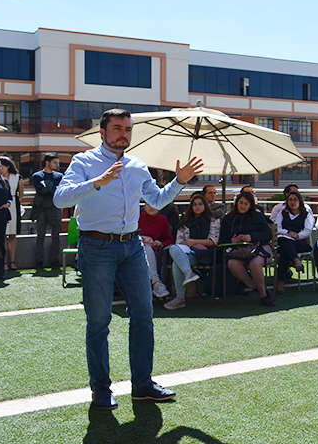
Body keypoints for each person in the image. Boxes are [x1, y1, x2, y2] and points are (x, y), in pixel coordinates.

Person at [53, 108, 203, 410]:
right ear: (103, 132)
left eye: (128, 129)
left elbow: (157, 201)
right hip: (96, 247)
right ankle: (101, 389)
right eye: (118, 128)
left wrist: (179, 181)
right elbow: (60, 198)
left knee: (144, 316)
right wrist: (97, 182)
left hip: (132, 246)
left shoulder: (137, 165)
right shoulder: (84, 162)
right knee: (98, 321)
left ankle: (142, 385)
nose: (124, 133)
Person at [164, 193, 220, 310]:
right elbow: (179, 241)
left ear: (205, 205)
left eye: (200, 204)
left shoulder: (213, 221)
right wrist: (192, 244)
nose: (197, 207)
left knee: (177, 263)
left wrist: (193, 242)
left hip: (205, 254)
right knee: (174, 248)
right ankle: (188, 274)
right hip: (188, 252)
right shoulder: (185, 222)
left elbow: (213, 241)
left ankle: (180, 298)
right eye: (194, 205)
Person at [221, 191, 275, 307]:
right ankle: (255, 287)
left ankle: (263, 296)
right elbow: (222, 240)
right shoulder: (228, 218)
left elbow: (268, 235)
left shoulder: (257, 215)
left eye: (246, 203)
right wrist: (232, 241)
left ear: (251, 205)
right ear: (236, 203)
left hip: (259, 248)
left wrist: (251, 237)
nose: (242, 206)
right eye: (240, 203)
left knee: (254, 264)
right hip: (238, 251)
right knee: (232, 263)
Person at [272, 190, 313, 293]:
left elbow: (308, 230)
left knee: (286, 245)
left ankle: (280, 282)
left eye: (295, 199)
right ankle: (296, 261)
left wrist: (297, 235)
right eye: (290, 200)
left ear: (300, 201)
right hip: (285, 243)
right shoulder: (283, 213)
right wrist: (288, 232)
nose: (292, 202)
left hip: (300, 243)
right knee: (285, 244)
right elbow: (277, 228)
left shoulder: (306, 214)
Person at [31, 154, 64, 271]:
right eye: (55, 162)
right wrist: (52, 189)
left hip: (55, 206)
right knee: (40, 235)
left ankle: (54, 259)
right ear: (47, 162)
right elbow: (40, 191)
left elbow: (61, 191)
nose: (57, 165)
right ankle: (39, 260)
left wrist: (49, 188)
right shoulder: (37, 176)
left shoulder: (60, 176)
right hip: (42, 208)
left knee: (56, 235)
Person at [138, 202, 173, 298]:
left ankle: (156, 284)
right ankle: (156, 282)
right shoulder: (138, 218)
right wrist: (143, 240)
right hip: (138, 250)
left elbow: (169, 240)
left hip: (157, 251)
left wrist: (160, 243)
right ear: (144, 206)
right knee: (147, 248)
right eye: (148, 204)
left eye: (154, 204)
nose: (151, 207)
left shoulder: (163, 220)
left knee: (150, 249)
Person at [0, 156, 23, 273]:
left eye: (1, 167)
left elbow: (21, 193)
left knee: (13, 234)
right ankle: (3, 262)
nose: (0, 169)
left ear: (8, 166)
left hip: (14, 206)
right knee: (2, 234)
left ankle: (12, 261)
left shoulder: (17, 177)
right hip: (1, 205)